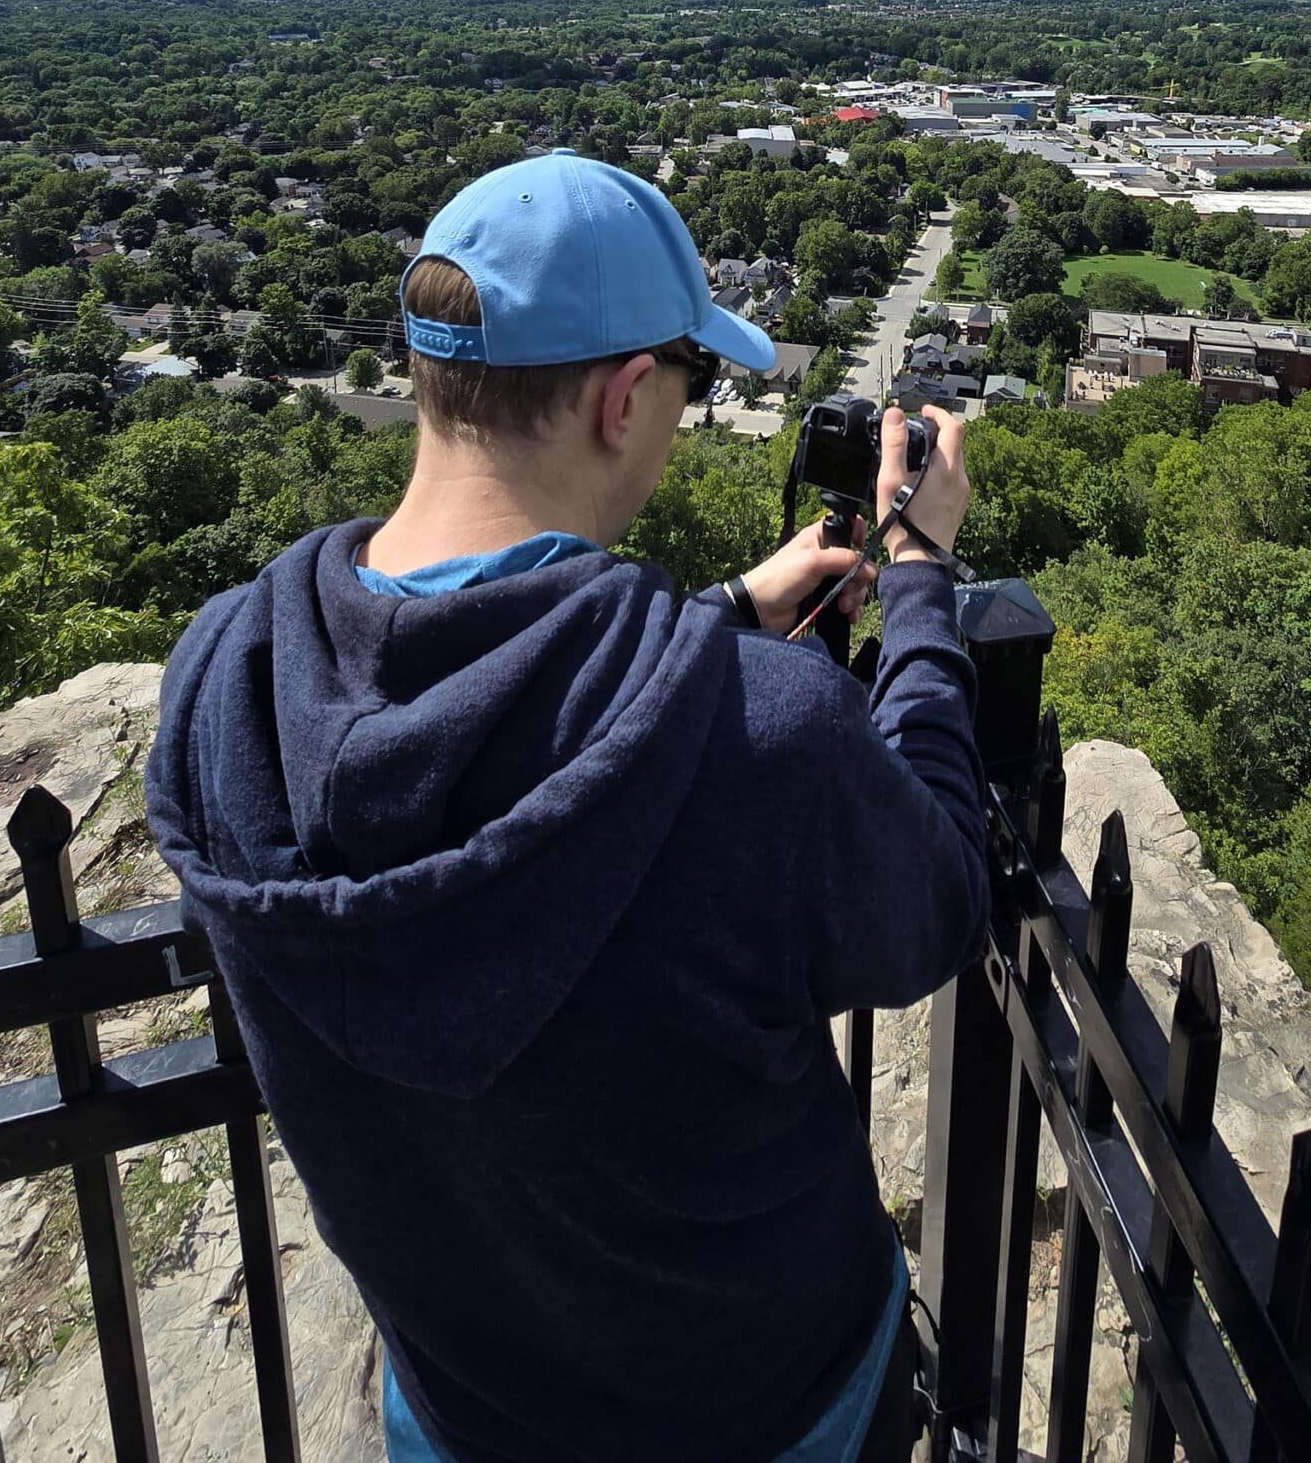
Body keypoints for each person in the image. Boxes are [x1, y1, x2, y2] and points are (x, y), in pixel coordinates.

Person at [146, 151, 986, 1463]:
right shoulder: (764, 737)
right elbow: (935, 901)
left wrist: (713, 622)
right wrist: (922, 575)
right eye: (690, 385)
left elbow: (467, 720)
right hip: (766, 1410)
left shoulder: (227, 676)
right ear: (624, 395)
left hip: (462, 1403)